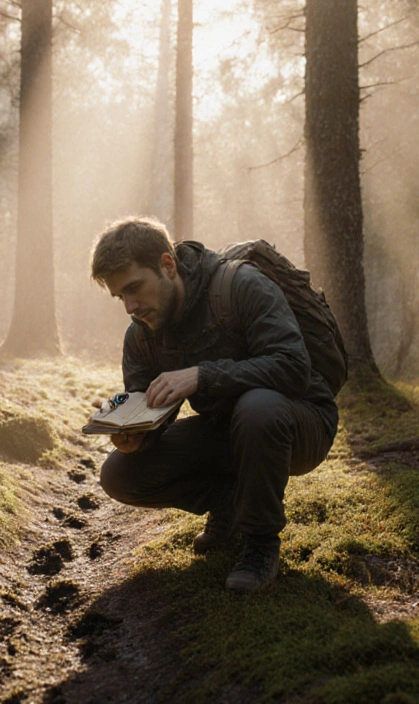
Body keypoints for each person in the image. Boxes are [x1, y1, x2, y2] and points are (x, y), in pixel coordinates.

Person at [90, 217, 339, 592]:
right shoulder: (141, 336)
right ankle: (231, 506)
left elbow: (293, 366)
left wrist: (202, 376)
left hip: (298, 420)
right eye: (119, 297)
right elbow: (148, 405)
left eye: (134, 288)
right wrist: (135, 434)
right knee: (119, 475)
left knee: (257, 408)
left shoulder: (239, 286)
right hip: (227, 430)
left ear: (167, 265)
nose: (129, 306)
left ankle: (260, 545)